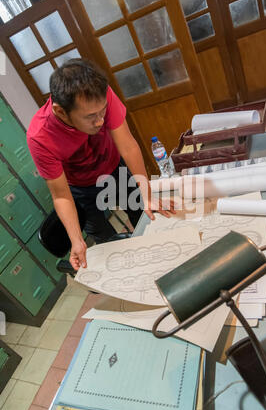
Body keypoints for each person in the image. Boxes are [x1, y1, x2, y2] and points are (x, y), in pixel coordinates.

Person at [27, 58, 175, 271]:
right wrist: (77, 239)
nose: (99, 121)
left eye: (102, 112)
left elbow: (128, 146)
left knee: (144, 214)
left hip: (114, 167)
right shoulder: (40, 137)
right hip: (82, 187)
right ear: (61, 112)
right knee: (108, 247)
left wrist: (148, 194)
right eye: (90, 117)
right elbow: (61, 195)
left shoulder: (100, 94)